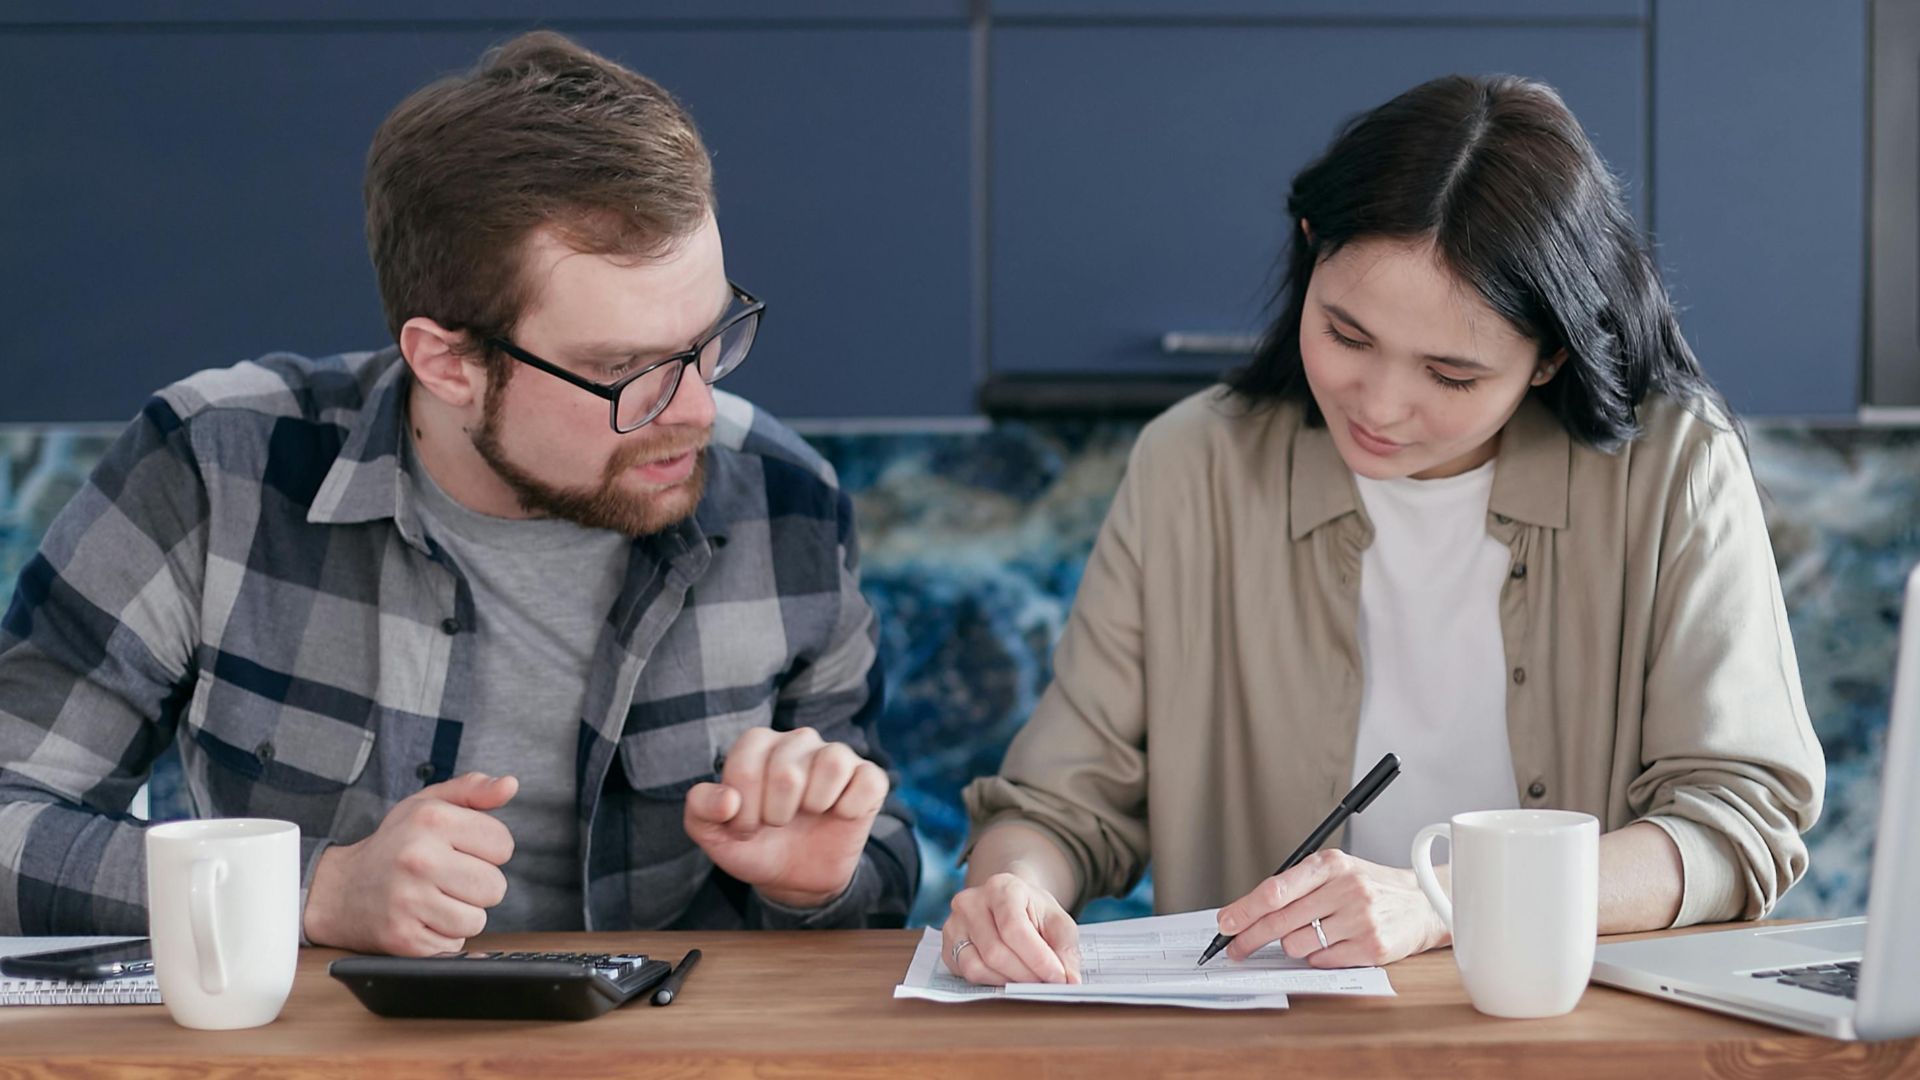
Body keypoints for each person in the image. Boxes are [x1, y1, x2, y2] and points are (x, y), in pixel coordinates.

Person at [0, 31, 918, 953]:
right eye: (624, 369)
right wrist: (312, 893)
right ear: (448, 364)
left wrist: (822, 881)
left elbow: (878, 862)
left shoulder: (784, 501)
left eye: (709, 337)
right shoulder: (212, 470)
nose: (696, 409)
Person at [944, 73, 1825, 985]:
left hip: (1574, 1043)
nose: (1381, 407)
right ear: (1309, 248)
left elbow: (1737, 819)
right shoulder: (1193, 465)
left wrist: (1447, 904)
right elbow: (1058, 805)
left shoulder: (1671, 466)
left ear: (1549, 356)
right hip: (1273, 1051)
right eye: (1347, 335)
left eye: (1450, 375)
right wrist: (1011, 887)